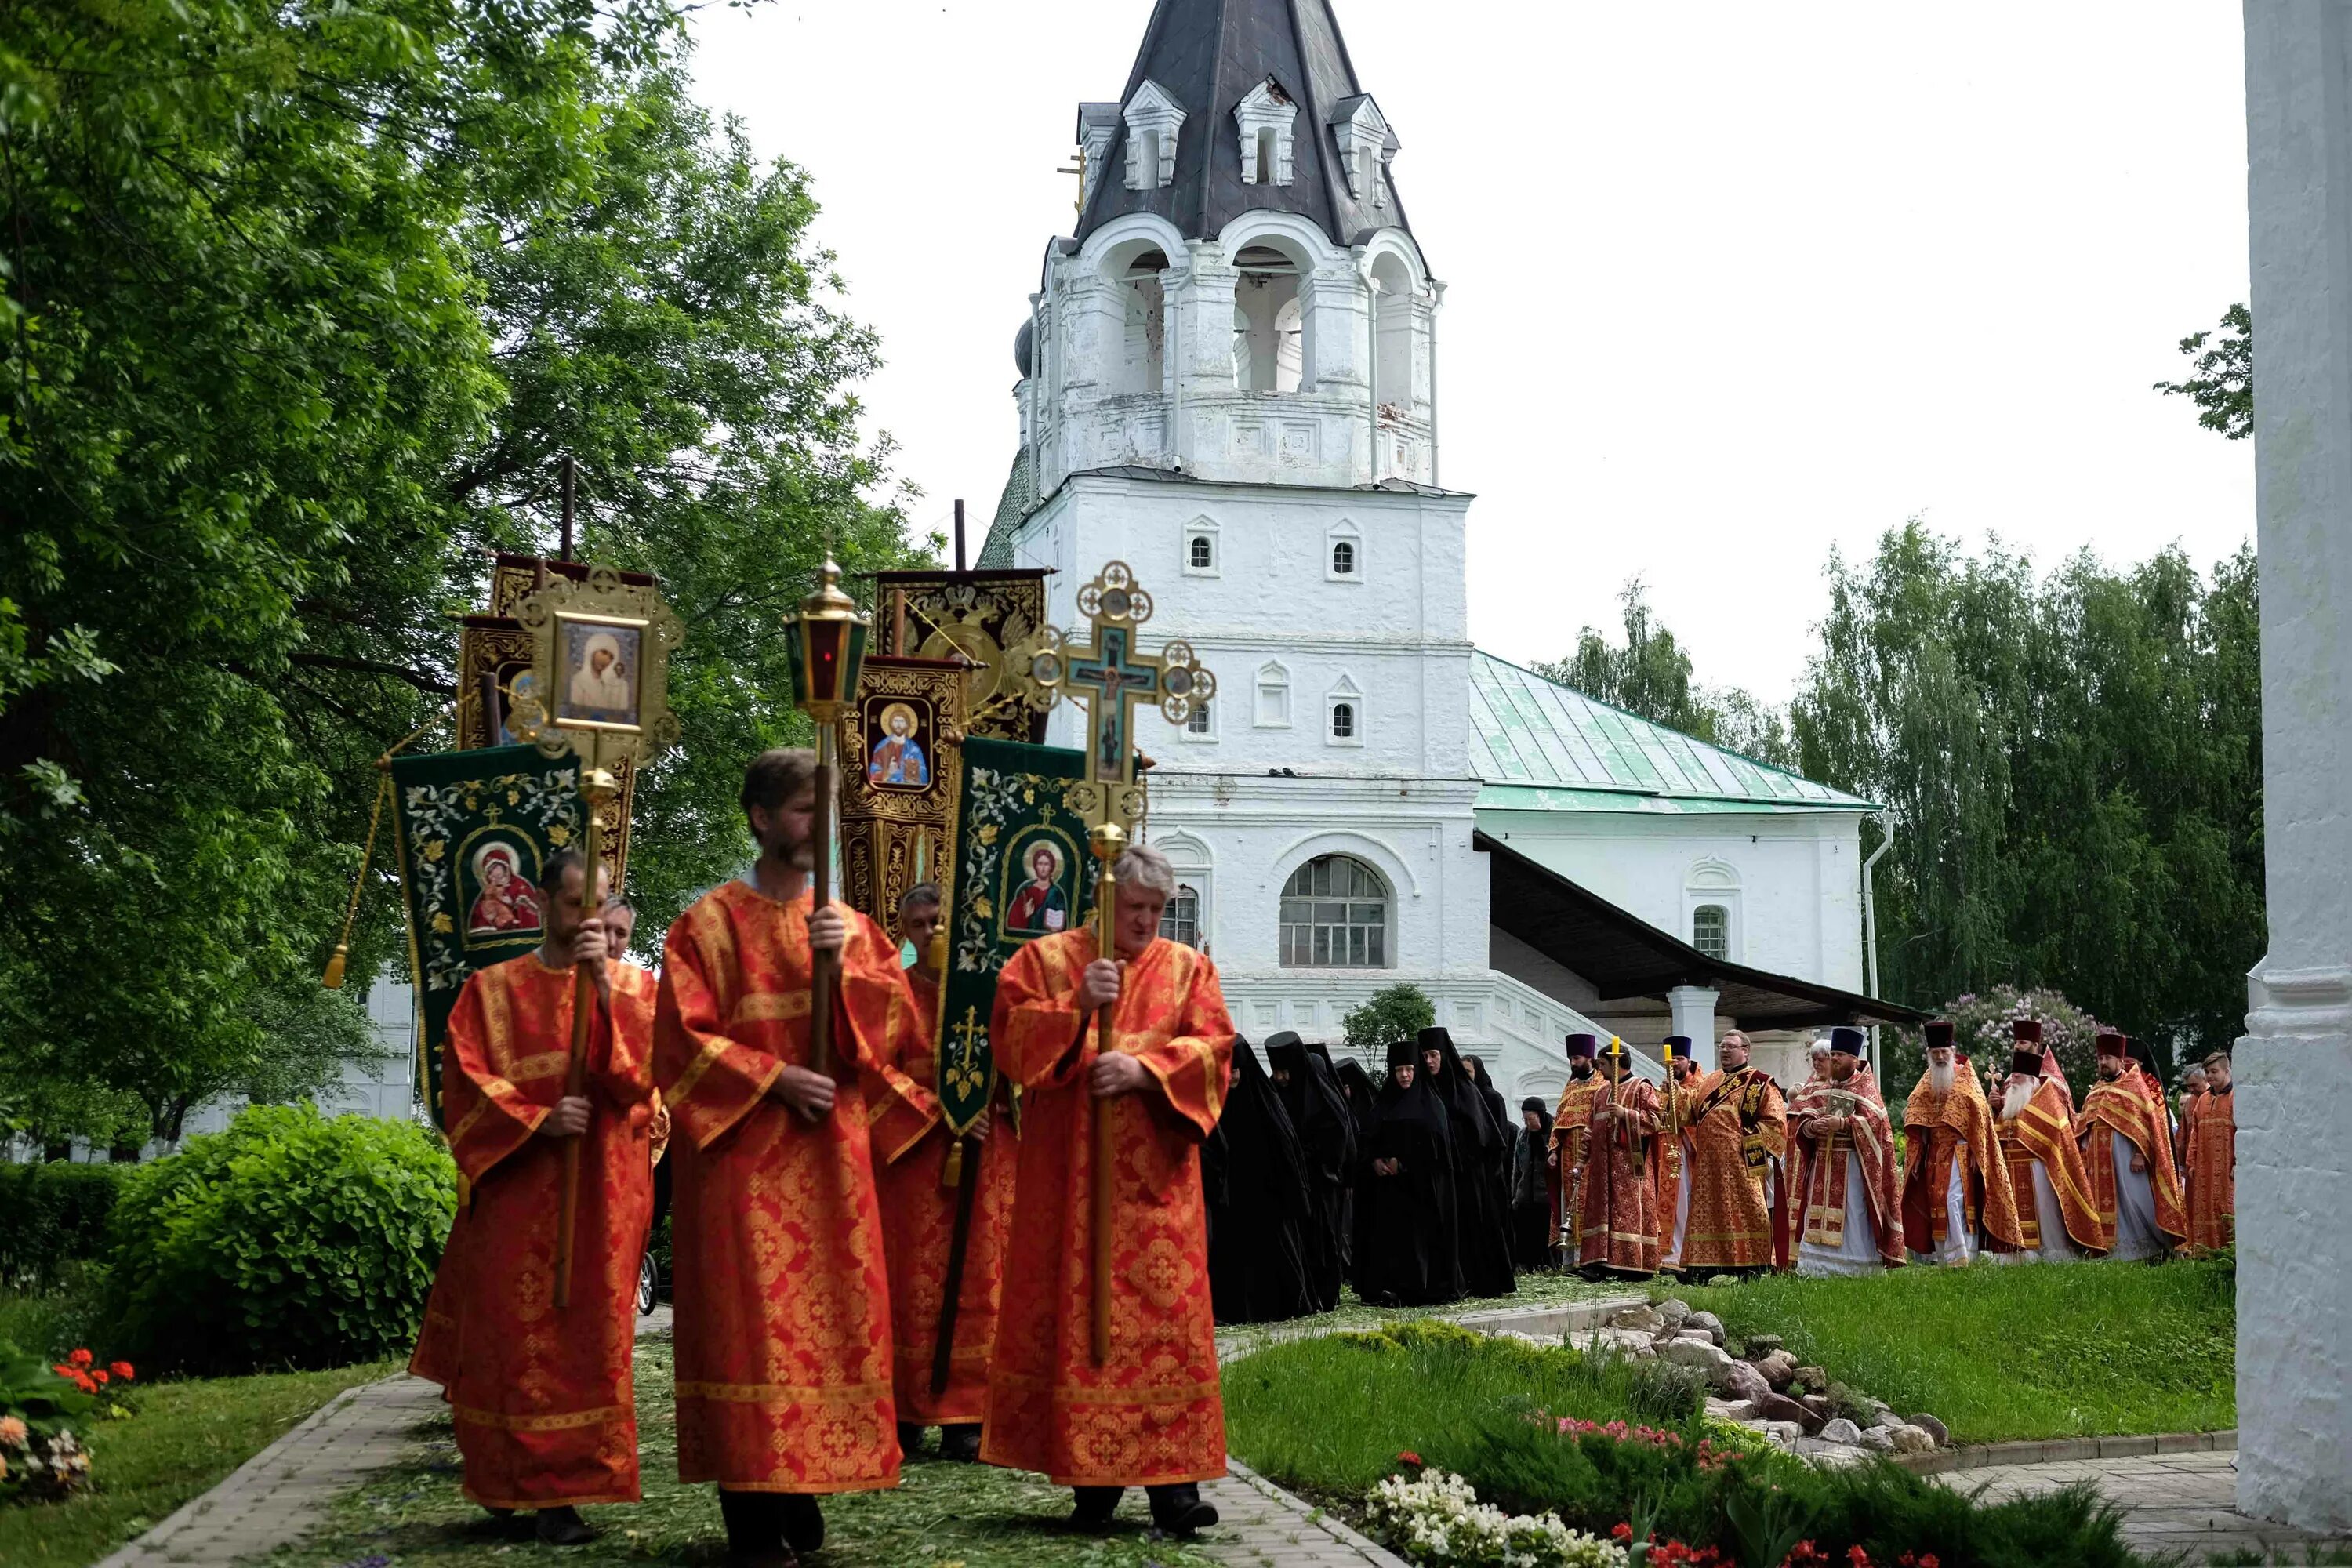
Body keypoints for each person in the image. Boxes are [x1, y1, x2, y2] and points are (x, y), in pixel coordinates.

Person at [655, 750, 938, 1566]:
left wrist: (842, 969)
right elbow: (679, 1040)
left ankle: (800, 1479)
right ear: (761, 816)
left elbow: (897, 1035)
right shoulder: (705, 924)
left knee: (825, 1325)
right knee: (753, 1330)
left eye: (826, 809)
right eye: (803, 810)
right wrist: (776, 1076)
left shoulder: (848, 927)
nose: (816, 825)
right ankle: (751, 1505)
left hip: (829, 1165)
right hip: (743, 1160)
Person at [982, 842, 1234, 1535]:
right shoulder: (1048, 961)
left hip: (1157, 1199)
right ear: (1105, 902)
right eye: (1135, 909)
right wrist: (1075, 1006)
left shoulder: (1189, 971)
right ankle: (1090, 1480)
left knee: (1165, 1335)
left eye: (1159, 909)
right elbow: (1008, 1040)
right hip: (1071, 1193)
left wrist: (1146, 1071)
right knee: (1082, 1329)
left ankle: (1175, 1490)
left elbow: (1217, 1051)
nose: (1148, 921)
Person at [410, 851, 656, 1545]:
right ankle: (505, 1479)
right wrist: (538, 1119)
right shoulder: (490, 992)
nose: (587, 916)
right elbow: (463, 1084)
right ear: (543, 902)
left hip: (603, 1198)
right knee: (513, 1340)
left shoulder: (636, 990)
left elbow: (648, 1080)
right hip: (520, 1196)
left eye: (599, 902)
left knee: (587, 1341)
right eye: (575, 901)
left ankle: (563, 1494)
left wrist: (604, 994)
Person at [870, 884, 1015, 1467]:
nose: (930, 932)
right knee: (909, 1286)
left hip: (988, 1157)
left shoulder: (990, 994)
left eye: (939, 922)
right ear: (904, 932)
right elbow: (873, 1074)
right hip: (915, 1165)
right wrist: (944, 1112)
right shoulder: (893, 996)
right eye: (918, 923)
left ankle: (970, 1414)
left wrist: (995, 1099)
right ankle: (906, 1413)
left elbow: (1022, 1060)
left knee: (984, 1282)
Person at [1204, 1037, 1315, 1323]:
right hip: (1231, 1198)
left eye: (1235, 1071)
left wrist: (1290, 1196)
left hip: (1266, 1198)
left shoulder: (1266, 1103)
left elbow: (1286, 1154)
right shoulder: (1216, 1104)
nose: (1230, 1078)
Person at [1900, 1020, 2020, 1265]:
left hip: (1961, 1151)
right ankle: (1944, 1256)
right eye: (1936, 1053)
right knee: (1936, 1201)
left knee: (1954, 1200)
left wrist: (1979, 1151)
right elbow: (1915, 1109)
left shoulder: (1967, 1080)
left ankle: (1963, 1253)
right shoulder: (1927, 1081)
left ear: (1953, 1051)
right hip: (1934, 1152)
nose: (1941, 1057)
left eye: (1945, 1052)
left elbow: (1981, 1118)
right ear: (1929, 1055)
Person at [1790, 1028, 1904, 1276]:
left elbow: (1876, 1123)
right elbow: (1804, 1116)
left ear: (1854, 1058)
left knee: (1855, 1211)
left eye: (1840, 1054)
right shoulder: (1821, 1086)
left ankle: (1856, 1267)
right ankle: (1816, 1268)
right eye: (1833, 1054)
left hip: (1854, 1164)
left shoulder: (1866, 1088)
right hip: (1823, 1161)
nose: (1834, 1059)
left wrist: (1844, 1124)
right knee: (1815, 1209)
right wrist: (1812, 1126)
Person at [1986, 1020, 2103, 1263]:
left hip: (2039, 1162)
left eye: (2023, 1042)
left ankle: (2051, 1252)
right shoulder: (2011, 1088)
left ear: (2036, 1045)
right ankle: (2018, 1253)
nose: (2018, 1046)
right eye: (2016, 1042)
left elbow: (2055, 1126)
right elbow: (2003, 1126)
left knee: (2044, 1210)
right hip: (2012, 1163)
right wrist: (1996, 1108)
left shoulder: (2048, 1088)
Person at [1356, 1040, 1462, 1306]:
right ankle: (1387, 1288)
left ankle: (1420, 1289)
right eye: (1399, 1070)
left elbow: (1437, 1151)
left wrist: (1403, 1163)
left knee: (1418, 1245)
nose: (1404, 1075)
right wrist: (1375, 1162)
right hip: (1388, 1193)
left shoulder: (1431, 1106)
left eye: (1409, 1069)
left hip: (1421, 1193)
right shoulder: (1383, 1105)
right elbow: (1367, 1138)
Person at [1673, 1030, 1785, 1278]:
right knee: (1707, 1212)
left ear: (1746, 1050)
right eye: (1721, 1046)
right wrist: (1675, 1094)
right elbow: (1688, 1113)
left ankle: (1752, 1265)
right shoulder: (1710, 1080)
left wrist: (1747, 1140)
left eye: (1731, 1047)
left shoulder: (1759, 1082)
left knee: (1747, 1210)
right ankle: (1702, 1266)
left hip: (1740, 1160)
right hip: (1708, 1162)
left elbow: (1776, 1122)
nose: (1724, 1051)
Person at [1421, 1028, 1515, 1298]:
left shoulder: (1466, 1092)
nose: (1429, 1061)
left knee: (1471, 1230)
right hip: (1438, 1176)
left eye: (1434, 1055)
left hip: (1467, 1176)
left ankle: (1477, 1281)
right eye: (1424, 1056)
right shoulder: (1426, 1091)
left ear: (1444, 1056)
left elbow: (1486, 1137)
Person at [2078, 1032, 2187, 1261]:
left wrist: (2140, 1153)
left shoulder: (2134, 1086)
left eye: (2108, 1058)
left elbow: (2149, 1125)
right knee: (2104, 1202)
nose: (2103, 1063)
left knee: (2132, 1200)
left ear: (2120, 1060)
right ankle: (2109, 1248)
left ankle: (2144, 1246)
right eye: (2100, 1059)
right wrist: (2085, 1152)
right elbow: (2084, 1127)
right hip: (2099, 1162)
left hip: (2126, 1157)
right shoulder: (2095, 1090)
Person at [1266, 1032, 1356, 1312]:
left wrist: (1304, 1156)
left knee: (1322, 1240)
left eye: (1285, 1072)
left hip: (1321, 1184)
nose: (1280, 1078)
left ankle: (1325, 1296)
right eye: (1276, 1072)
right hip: (1291, 1184)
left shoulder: (1322, 1098)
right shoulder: (1275, 1094)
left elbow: (1336, 1140)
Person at [1575, 1046, 1662, 1278]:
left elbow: (1655, 1121)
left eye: (1603, 1065)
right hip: (1602, 1168)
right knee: (1601, 1212)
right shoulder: (1601, 1093)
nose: (1599, 1069)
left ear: (1616, 1064)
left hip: (1630, 1166)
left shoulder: (1641, 1087)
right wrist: (1581, 1162)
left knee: (1627, 1211)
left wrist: (1626, 1114)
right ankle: (1600, 1263)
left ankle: (1634, 1265)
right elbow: (1589, 1130)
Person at [1548, 1035, 1609, 1267]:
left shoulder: (1603, 1083)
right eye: (1570, 1059)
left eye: (1576, 1058)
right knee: (1569, 1203)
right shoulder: (1570, 1087)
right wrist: (1553, 1150)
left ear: (1589, 1058)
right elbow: (1558, 1121)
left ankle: (1590, 1256)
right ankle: (1570, 1259)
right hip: (1567, 1154)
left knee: (1590, 1202)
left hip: (1591, 1153)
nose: (1573, 1063)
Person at [2181, 1051, 2235, 1257]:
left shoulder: (2236, 1097)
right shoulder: (2202, 1100)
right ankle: (2205, 1255)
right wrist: (2191, 1162)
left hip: (2227, 1168)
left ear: (2227, 1071)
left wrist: (2238, 1163)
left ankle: (2229, 1256)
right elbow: (2194, 1134)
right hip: (2204, 1168)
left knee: (2226, 1210)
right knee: (2204, 1210)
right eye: (2207, 1072)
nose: (2210, 1076)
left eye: (2214, 1071)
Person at [1654, 1039, 1699, 1272]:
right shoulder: (1662, 1088)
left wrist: (1676, 1093)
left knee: (1683, 1204)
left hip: (1685, 1154)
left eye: (1679, 1060)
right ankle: (1664, 1252)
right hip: (1663, 1153)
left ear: (1688, 1061)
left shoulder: (1698, 1085)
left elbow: (1692, 1116)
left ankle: (1681, 1253)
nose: (1675, 1065)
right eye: (1671, 1062)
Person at [1510, 1097, 1555, 1269]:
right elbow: (1517, 1168)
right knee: (1525, 1234)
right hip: (1525, 1195)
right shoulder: (1523, 1135)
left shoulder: (1553, 1134)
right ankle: (1527, 1266)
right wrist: (1515, 1195)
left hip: (1546, 1196)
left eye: (1531, 1119)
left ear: (1541, 1116)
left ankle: (1547, 1265)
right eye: (1525, 1119)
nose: (1528, 1123)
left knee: (1543, 1233)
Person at [1005, 843, 1069, 933]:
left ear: (1051, 867)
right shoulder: (1025, 890)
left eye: (1046, 864)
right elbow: (1013, 922)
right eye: (1040, 863)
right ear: (1035, 866)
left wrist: (1056, 928)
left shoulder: (1057, 893)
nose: (1043, 868)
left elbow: (1062, 922)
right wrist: (1025, 916)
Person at [568, 632, 632, 716]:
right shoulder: (577, 681)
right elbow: (575, 713)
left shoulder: (620, 685)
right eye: (604, 652)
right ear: (591, 651)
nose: (606, 660)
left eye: (611, 657)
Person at [2174, 1063, 2209, 1167]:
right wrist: (2181, 1164)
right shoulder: (2189, 1103)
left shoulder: (2217, 1098)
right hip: (2193, 1163)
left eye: (2194, 1085)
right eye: (2188, 1086)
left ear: (2205, 1079)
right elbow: (2182, 1135)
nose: (2191, 1090)